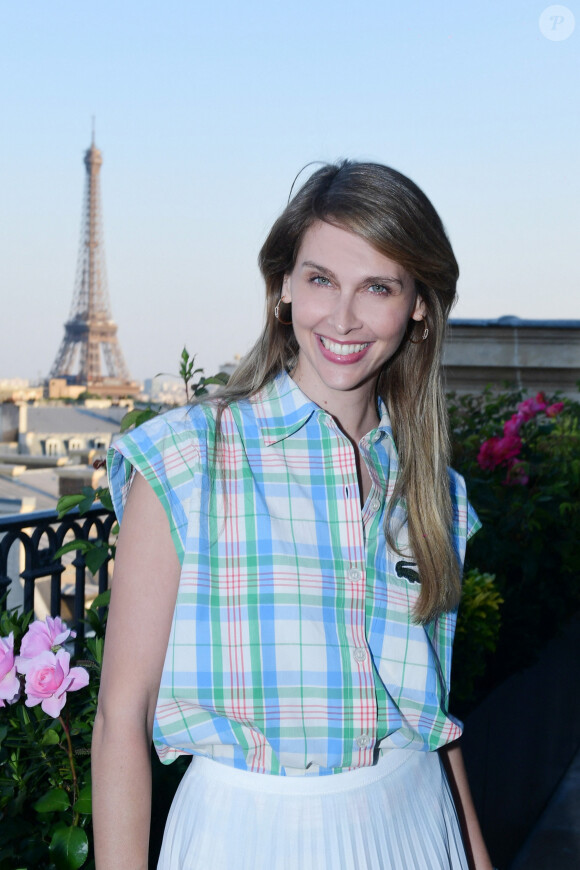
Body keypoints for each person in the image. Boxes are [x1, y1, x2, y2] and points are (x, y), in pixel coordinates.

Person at [92, 161, 494, 869]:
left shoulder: (433, 491)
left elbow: (429, 721)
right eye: (319, 280)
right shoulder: (189, 457)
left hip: (417, 828)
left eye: (378, 286)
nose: (342, 318)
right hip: (243, 837)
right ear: (282, 287)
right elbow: (120, 719)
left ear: (420, 305)